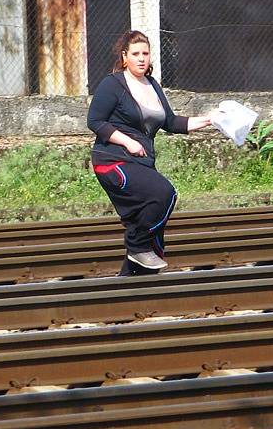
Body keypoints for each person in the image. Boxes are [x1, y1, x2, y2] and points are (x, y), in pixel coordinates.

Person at [87, 30, 214, 276]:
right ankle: (136, 245)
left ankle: (128, 290)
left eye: (145, 53)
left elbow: (171, 122)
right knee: (164, 193)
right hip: (113, 161)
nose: (141, 58)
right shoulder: (112, 84)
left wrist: (209, 120)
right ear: (125, 57)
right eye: (135, 54)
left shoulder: (152, 85)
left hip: (142, 163)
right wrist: (128, 142)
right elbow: (96, 121)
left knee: (152, 236)